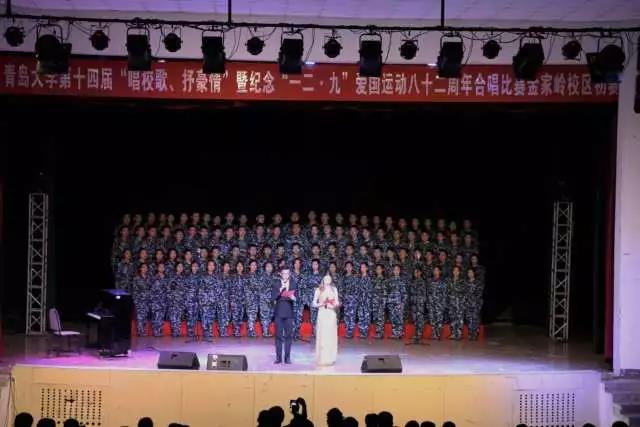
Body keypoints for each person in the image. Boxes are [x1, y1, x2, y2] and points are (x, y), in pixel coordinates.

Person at [312, 275, 340, 366]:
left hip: (331, 313)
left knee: (330, 335)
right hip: (322, 313)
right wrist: (321, 303)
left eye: (329, 279)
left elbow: (337, 302)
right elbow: (314, 303)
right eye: (325, 279)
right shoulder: (319, 289)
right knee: (323, 335)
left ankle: (331, 358)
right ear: (323, 280)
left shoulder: (334, 289)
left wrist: (333, 304)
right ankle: (322, 358)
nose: (327, 280)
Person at [273, 268, 297, 364]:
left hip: (289, 313)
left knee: (288, 336)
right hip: (279, 313)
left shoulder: (293, 283)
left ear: (289, 274)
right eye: (284, 273)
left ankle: (287, 357)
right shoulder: (276, 283)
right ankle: (278, 357)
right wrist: (280, 291)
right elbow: (272, 297)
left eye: (287, 273)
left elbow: (297, 298)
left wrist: (292, 297)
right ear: (280, 274)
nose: (285, 275)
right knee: (278, 336)